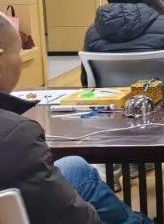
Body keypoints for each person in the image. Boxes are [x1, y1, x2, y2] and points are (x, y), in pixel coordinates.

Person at [0, 13, 150, 224]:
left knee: (75, 166)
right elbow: (73, 217)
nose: (21, 59)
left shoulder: (94, 31)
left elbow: (85, 79)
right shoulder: (16, 136)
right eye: (19, 52)